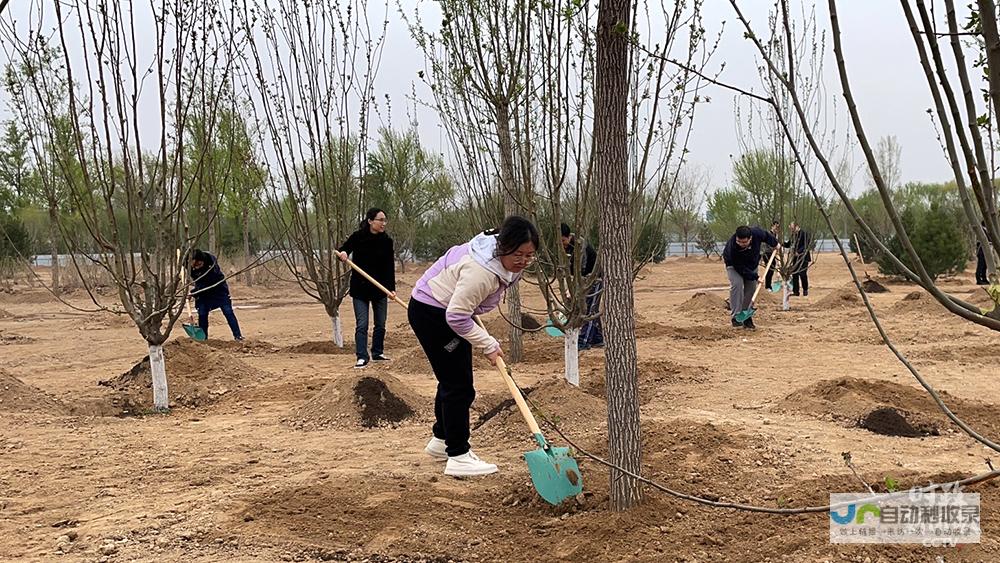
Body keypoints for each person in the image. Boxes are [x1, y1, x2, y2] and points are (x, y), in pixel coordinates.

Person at [409, 215, 539, 477]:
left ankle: (442, 440)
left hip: (443, 308)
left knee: (451, 379)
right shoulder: (480, 273)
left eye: (530, 255)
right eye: (518, 254)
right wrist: (488, 344)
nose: (523, 261)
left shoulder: (500, 260)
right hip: (433, 314)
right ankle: (458, 455)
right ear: (503, 247)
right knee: (458, 386)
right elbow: (456, 316)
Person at [337, 208, 397, 369]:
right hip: (360, 289)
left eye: (385, 220)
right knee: (362, 324)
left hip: (380, 289)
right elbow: (345, 248)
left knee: (381, 323)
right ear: (371, 221)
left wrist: (391, 288)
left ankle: (377, 352)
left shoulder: (387, 241)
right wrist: (343, 254)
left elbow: (389, 267)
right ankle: (362, 356)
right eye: (380, 220)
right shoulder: (358, 237)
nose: (384, 223)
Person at [723, 225, 779, 330]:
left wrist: (775, 244)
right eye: (739, 242)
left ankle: (746, 317)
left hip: (751, 264)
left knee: (751, 289)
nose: (741, 244)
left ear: (750, 238)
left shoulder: (757, 233)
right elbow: (740, 268)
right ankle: (736, 316)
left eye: (744, 242)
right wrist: (755, 276)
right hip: (734, 265)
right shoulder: (732, 248)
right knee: (737, 284)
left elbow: (767, 236)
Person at [560, 223, 603, 350]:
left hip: (594, 279)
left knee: (588, 310)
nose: (562, 244)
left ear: (568, 237)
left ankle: (584, 341)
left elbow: (581, 270)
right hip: (583, 281)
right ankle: (597, 339)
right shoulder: (567, 247)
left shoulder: (580, 245)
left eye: (563, 240)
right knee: (590, 309)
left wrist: (574, 288)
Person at [190, 249, 243, 341]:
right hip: (203, 294)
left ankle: (238, 336)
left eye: (199, 265)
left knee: (228, 312)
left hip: (219, 290)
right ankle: (203, 339)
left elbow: (208, 283)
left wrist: (193, 292)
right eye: (195, 266)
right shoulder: (191, 265)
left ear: (202, 261)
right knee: (202, 314)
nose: (197, 268)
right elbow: (198, 282)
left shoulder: (212, 265)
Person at [785, 221, 812, 296]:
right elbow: (788, 244)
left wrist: (799, 252)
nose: (791, 228)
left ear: (797, 226)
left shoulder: (804, 234)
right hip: (795, 258)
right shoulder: (793, 235)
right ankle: (796, 291)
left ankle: (805, 289)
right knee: (795, 274)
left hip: (803, 257)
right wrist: (780, 243)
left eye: (792, 226)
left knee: (802, 274)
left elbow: (806, 245)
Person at [763, 220, 781, 291]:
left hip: (772, 253)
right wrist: (774, 247)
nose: (777, 228)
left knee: (772, 268)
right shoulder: (769, 234)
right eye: (776, 227)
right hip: (767, 253)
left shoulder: (775, 235)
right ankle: (768, 286)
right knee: (769, 269)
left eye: (778, 227)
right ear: (772, 226)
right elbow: (768, 244)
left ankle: (769, 285)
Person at [976, 220, 989, 286]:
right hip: (981, 251)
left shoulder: (986, 230)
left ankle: (984, 278)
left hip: (986, 251)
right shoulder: (982, 231)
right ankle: (978, 279)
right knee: (980, 265)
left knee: (985, 265)